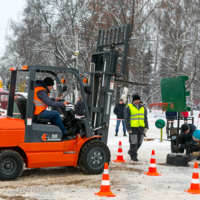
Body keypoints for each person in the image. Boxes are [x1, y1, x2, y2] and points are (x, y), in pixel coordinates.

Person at [124, 94, 148, 161]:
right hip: (133, 128)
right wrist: (128, 128)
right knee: (134, 142)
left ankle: (131, 151)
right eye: (136, 100)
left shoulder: (143, 108)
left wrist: (146, 127)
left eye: (138, 100)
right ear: (133, 100)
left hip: (140, 127)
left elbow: (145, 118)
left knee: (140, 142)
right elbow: (126, 119)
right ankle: (133, 156)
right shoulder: (128, 107)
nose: (138, 101)